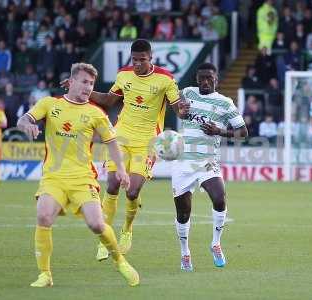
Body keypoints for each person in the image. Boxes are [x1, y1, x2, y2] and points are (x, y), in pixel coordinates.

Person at [61, 39, 189, 261]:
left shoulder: (165, 79)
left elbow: (178, 110)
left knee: (132, 191)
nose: (138, 64)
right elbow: (109, 100)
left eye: (142, 60)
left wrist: (184, 111)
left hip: (147, 141)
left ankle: (127, 229)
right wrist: (83, 91)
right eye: (135, 59)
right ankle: (104, 237)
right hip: (120, 135)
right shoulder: (124, 75)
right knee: (111, 185)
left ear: (151, 59)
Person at [17, 63, 139, 288]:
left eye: (91, 83)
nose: (88, 87)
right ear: (71, 82)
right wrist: (27, 126)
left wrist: (121, 169)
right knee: (43, 216)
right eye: (84, 82)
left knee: (96, 224)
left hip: (83, 179)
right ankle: (45, 274)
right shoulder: (49, 104)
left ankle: (120, 260)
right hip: (53, 178)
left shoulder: (96, 113)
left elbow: (112, 143)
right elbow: (24, 119)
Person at [172, 63, 248, 271]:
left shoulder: (225, 103)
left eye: (210, 78)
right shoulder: (187, 93)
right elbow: (174, 105)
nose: (205, 82)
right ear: (197, 79)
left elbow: (243, 133)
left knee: (219, 197)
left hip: (208, 160)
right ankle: (185, 253)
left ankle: (215, 243)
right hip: (184, 161)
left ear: (217, 79)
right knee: (183, 213)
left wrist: (220, 131)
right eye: (202, 78)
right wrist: (179, 110)